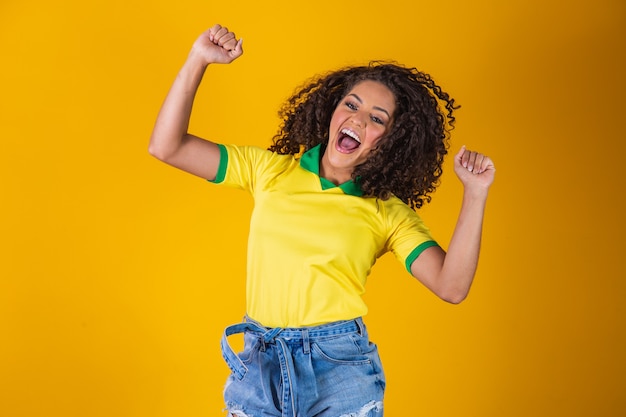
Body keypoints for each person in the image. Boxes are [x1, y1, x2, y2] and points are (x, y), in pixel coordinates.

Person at [149, 24, 495, 417]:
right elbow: (167, 146)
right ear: (332, 111)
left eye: (377, 118)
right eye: (351, 105)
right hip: (260, 361)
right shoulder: (269, 171)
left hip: (339, 367)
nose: (358, 120)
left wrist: (476, 193)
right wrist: (198, 59)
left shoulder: (387, 213)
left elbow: (451, 286)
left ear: (391, 139)